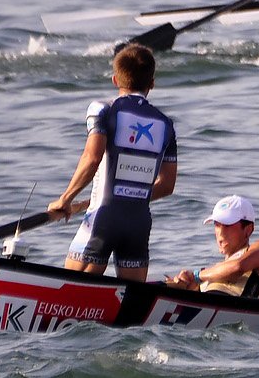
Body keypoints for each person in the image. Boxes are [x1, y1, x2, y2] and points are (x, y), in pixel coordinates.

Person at [49, 44, 179, 281]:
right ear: (152, 83)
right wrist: (125, 197)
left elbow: (92, 158)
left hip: (102, 218)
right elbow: (167, 185)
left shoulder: (103, 110)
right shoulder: (166, 124)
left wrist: (65, 199)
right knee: (131, 301)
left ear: (115, 79)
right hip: (138, 223)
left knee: (71, 291)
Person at [165, 195, 259, 297]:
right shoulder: (212, 272)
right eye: (217, 225)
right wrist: (186, 284)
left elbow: (237, 267)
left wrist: (196, 276)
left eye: (227, 226)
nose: (220, 233)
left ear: (248, 230)